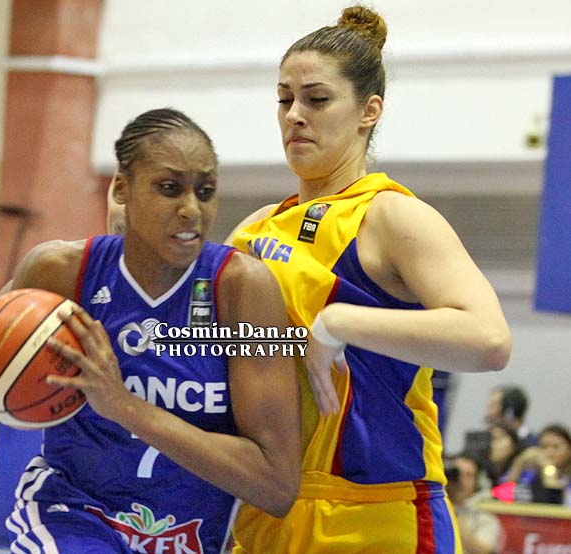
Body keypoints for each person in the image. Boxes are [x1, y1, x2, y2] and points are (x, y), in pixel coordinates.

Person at [0, 108, 301, 553]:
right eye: (169, 188)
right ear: (121, 188)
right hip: (74, 512)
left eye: (205, 191)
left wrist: (124, 406)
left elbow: (276, 485)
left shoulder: (243, 289)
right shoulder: (59, 271)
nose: (191, 209)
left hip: (190, 535)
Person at [225, 6, 512, 552]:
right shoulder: (251, 231)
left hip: (378, 512)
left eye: (316, 99)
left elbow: (490, 340)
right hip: (266, 512)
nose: (294, 115)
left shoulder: (392, 217)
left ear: (368, 110)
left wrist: (339, 323)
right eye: (284, 99)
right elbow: (208, 350)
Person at [444, 454, 502, 554]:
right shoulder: (430, 507)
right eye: (456, 474)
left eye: (468, 476)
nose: (461, 481)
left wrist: (452, 514)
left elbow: (483, 551)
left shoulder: (484, 518)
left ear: (476, 482)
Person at [506, 423, 571, 504]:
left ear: (569, 448)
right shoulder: (531, 474)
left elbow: (555, 501)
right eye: (544, 447)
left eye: (555, 447)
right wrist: (518, 465)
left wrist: (548, 468)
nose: (549, 453)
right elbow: (502, 496)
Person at [486, 423, 525, 488]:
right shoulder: (486, 471)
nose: (493, 444)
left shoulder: (524, 469)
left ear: (513, 445)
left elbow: (516, 492)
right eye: (490, 439)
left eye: (498, 438)